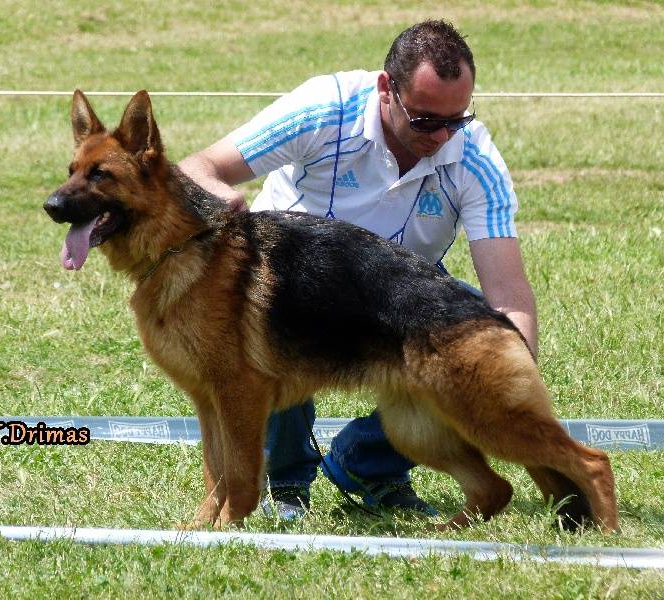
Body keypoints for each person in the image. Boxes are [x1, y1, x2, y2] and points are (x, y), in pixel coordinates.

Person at [178, 19, 537, 520]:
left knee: (474, 341)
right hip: (291, 285)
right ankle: (286, 484)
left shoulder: (474, 156)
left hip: (395, 295)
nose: (443, 136)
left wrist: (505, 384)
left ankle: (370, 465)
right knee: (269, 322)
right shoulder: (325, 108)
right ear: (386, 89)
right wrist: (224, 202)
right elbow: (199, 166)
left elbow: (509, 299)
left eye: (457, 119)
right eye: (426, 120)